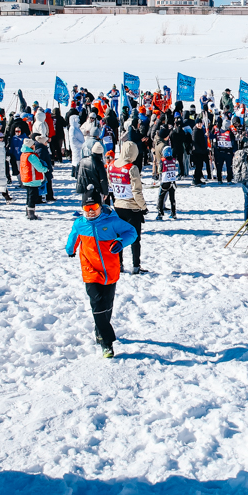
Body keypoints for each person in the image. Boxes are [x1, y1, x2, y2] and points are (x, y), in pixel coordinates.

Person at [65, 201, 137, 358]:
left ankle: (99, 330)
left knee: (107, 303)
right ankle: (107, 343)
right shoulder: (79, 224)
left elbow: (131, 232)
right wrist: (70, 250)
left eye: (94, 208)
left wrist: (120, 242)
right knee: (97, 303)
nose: (91, 212)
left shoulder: (111, 221)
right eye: (87, 208)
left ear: (100, 208)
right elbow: (73, 238)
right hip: (90, 270)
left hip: (110, 270)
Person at [109, 140, 148, 273]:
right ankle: (136, 265)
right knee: (135, 237)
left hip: (118, 206)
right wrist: (144, 207)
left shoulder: (111, 165)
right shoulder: (132, 168)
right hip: (132, 207)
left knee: (119, 236)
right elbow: (137, 191)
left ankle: (119, 264)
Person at [20, 139, 46, 220]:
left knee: (29, 196)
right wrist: (45, 169)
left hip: (26, 178)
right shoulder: (31, 156)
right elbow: (39, 167)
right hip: (32, 178)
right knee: (32, 197)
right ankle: (31, 214)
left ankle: (27, 212)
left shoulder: (23, 154)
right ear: (30, 146)